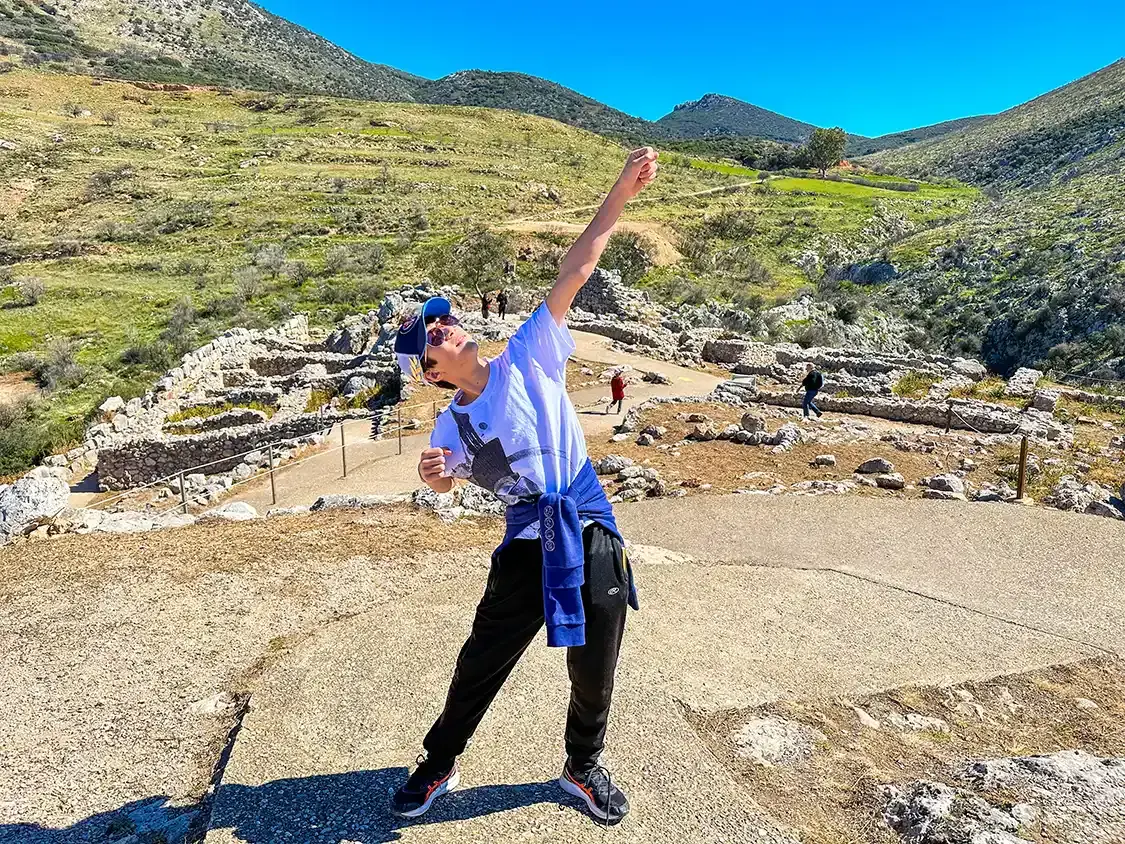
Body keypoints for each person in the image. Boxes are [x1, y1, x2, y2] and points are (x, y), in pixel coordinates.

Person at [391, 147, 659, 825]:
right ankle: (438, 763)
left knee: (596, 667)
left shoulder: (530, 353)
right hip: (523, 543)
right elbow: (447, 485)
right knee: (480, 662)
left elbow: (578, 266)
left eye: (443, 316)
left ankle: (582, 767)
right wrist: (434, 479)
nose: (447, 323)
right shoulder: (452, 425)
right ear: (432, 370)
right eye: (435, 330)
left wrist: (620, 192)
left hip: (589, 526)